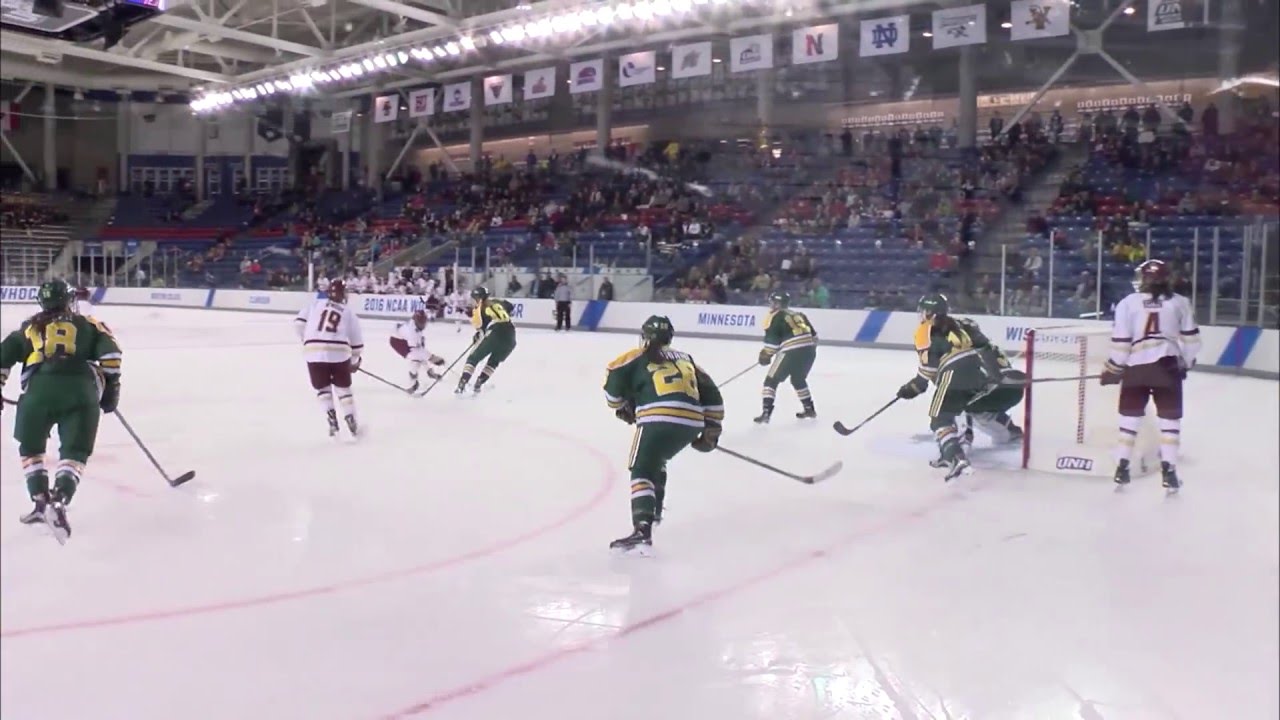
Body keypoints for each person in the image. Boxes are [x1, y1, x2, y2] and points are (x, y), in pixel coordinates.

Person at [0, 279, 122, 543]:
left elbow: (2, 357)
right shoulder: (89, 324)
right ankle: (60, 500)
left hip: (38, 394)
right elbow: (112, 357)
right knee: (75, 452)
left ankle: (41, 500)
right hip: (81, 392)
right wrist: (112, 388)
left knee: (31, 449)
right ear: (68, 300)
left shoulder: (30, 327)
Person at [603, 316, 724, 554]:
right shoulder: (687, 360)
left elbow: (613, 380)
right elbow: (712, 395)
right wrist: (712, 428)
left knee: (641, 469)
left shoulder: (636, 356)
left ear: (645, 336)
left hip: (657, 417)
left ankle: (642, 528)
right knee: (658, 459)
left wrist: (620, 406)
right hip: (692, 421)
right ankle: (655, 510)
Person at [896, 294, 1024, 481]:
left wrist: (909, 389)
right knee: (973, 406)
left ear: (927, 312)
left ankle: (956, 455)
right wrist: (997, 376)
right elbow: (989, 351)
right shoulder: (964, 325)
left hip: (955, 374)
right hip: (989, 382)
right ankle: (1008, 431)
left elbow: (926, 376)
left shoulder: (924, 331)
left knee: (940, 417)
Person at [1101, 259, 1200, 489]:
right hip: (1167, 366)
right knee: (1170, 421)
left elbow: (1121, 343)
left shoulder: (1128, 303)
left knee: (1129, 419)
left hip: (1136, 367)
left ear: (1144, 279)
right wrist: (1184, 363)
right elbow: (1192, 342)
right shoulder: (1180, 303)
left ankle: (1122, 468)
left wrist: (1114, 368)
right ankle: (1170, 472)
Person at [294, 279, 364, 437]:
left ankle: (331, 417)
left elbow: (298, 323)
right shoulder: (348, 313)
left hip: (313, 352)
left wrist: (307, 340)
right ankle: (350, 416)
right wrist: (354, 361)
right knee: (343, 388)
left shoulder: (315, 305)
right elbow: (357, 344)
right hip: (338, 353)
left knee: (323, 387)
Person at [754, 291, 819, 423]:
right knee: (798, 379)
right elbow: (815, 337)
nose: (771, 305)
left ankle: (766, 413)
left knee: (771, 381)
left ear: (777, 303)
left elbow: (771, 345)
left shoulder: (775, 317)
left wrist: (766, 355)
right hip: (809, 351)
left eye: (772, 302)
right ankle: (809, 408)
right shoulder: (799, 315)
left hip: (790, 352)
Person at [456, 287, 517, 395]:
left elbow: (481, 328)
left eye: (474, 299)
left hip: (495, 332)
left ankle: (462, 383)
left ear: (479, 298)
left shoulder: (479, 310)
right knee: (494, 361)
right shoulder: (497, 302)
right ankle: (479, 383)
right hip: (511, 335)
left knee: (473, 358)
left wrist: (477, 335)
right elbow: (510, 306)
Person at [389, 310, 445, 393]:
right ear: (415, 321)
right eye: (421, 322)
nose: (423, 325)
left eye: (424, 322)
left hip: (404, 338)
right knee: (415, 358)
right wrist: (433, 358)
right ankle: (413, 383)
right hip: (398, 342)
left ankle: (427, 373)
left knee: (418, 355)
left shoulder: (416, 327)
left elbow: (421, 350)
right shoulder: (411, 332)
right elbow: (419, 352)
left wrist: (431, 360)